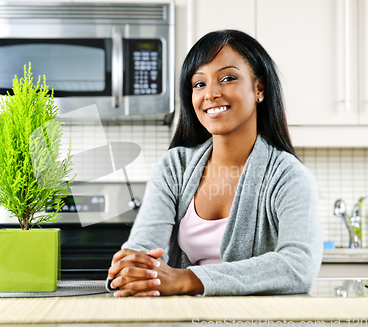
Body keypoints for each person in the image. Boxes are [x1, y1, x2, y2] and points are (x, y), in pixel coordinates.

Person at [107, 30, 322, 297]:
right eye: (199, 84)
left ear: (259, 89)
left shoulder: (289, 177)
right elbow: (143, 247)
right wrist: (131, 268)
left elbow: (297, 266)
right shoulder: (175, 167)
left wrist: (187, 279)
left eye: (228, 78)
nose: (211, 93)